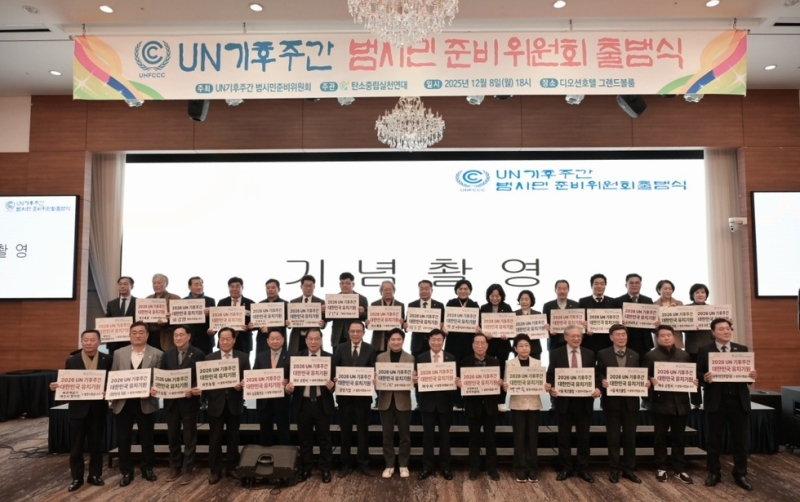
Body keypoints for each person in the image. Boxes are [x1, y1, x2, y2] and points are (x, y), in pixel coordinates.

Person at [698, 318, 758, 491]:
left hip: (738, 401)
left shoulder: (742, 349)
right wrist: (705, 377)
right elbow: (698, 372)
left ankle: (740, 474)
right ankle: (714, 472)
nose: (726, 331)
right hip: (716, 401)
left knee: (740, 441)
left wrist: (752, 375)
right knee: (713, 440)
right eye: (721, 329)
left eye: (728, 328)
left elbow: (747, 374)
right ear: (713, 332)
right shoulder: (705, 350)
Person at [49, 329, 112, 492]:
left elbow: (111, 381)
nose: (88, 343)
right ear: (82, 341)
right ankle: (77, 477)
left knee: (96, 445)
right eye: (86, 340)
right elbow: (68, 382)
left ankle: (95, 475)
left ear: (99, 342)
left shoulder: (107, 359)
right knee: (76, 446)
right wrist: (57, 386)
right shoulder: (72, 360)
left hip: (98, 409)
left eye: (92, 340)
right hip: (77, 410)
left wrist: (109, 391)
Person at [110, 321, 163, 487]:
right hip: (123, 403)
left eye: (141, 332)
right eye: (134, 332)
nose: (137, 335)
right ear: (129, 335)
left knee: (147, 438)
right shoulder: (119, 353)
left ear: (147, 335)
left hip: (145, 402)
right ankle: (126, 471)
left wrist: (153, 388)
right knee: (123, 438)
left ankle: (148, 468)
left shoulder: (157, 354)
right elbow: (113, 375)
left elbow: (159, 378)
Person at [547, 324, 601, 483]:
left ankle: (583, 469)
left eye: (579, 336)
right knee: (564, 437)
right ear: (565, 337)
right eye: (573, 336)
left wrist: (598, 388)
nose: (577, 338)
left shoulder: (590, 354)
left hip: (584, 402)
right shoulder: (556, 353)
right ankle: (566, 468)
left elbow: (595, 375)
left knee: (584, 437)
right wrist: (552, 388)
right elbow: (550, 375)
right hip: (564, 402)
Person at [644, 325, 697, 484]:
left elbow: (691, 376)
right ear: (657, 338)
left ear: (674, 337)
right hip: (660, 403)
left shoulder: (684, 355)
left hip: (681, 403)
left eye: (669, 335)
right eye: (663, 336)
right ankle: (661, 467)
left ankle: (679, 468)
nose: (666, 338)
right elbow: (644, 377)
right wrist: (650, 381)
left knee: (679, 438)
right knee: (660, 438)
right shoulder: (651, 355)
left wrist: (693, 382)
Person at [153, 325, 204, 484]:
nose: (178, 338)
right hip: (171, 403)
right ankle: (174, 467)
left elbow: (201, 377)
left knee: (189, 438)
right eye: (175, 335)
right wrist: (157, 386)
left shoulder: (198, 354)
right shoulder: (167, 354)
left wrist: (194, 388)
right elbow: (161, 375)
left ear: (189, 336)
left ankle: (187, 470)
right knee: (173, 436)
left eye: (181, 335)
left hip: (190, 403)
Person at [596, 324, 646, 484]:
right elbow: (598, 372)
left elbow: (639, 375)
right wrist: (602, 380)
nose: (621, 337)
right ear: (611, 337)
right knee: (613, 438)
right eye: (617, 335)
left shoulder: (635, 355)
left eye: (624, 335)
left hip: (631, 402)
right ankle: (614, 469)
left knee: (630, 438)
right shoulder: (602, 354)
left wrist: (645, 382)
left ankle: (629, 469)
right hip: (611, 402)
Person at [285, 327, 335, 484]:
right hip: (303, 404)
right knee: (304, 438)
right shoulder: (296, 358)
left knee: (325, 438)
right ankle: (306, 468)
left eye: (316, 339)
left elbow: (335, 383)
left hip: (322, 403)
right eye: (310, 339)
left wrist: (332, 387)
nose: (313, 342)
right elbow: (287, 381)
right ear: (305, 341)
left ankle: (325, 469)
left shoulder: (330, 358)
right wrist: (288, 389)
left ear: (321, 340)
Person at [201, 327, 250, 485]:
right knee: (214, 438)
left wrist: (242, 385)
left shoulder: (243, 357)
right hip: (216, 403)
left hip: (234, 403)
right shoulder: (209, 358)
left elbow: (248, 379)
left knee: (233, 438)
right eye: (222, 339)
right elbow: (205, 382)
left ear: (234, 340)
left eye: (228, 338)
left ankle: (231, 468)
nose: (225, 341)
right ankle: (215, 471)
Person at [332, 321, 377, 477]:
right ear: (348, 333)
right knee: (345, 432)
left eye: (359, 331)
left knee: (363, 432)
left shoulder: (371, 349)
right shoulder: (340, 348)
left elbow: (374, 369)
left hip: (363, 399)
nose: (355, 334)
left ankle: (363, 463)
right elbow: (334, 369)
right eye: (353, 331)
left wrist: (374, 378)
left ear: (363, 332)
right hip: (345, 398)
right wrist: (335, 378)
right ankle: (345, 464)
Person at [503, 334, 549, 483]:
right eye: (521, 346)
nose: (524, 348)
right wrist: (505, 386)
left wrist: (546, 386)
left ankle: (532, 470)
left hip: (533, 404)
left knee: (532, 438)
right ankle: (519, 469)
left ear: (531, 347)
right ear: (515, 348)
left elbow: (542, 382)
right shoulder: (509, 364)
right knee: (519, 438)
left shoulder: (537, 363)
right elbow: (506, 382)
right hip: (517, 404)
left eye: (527, 345)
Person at [459, 333, 503, 481]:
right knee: (474, 439)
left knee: (491, 439)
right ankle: (474, 468)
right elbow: (461, 384)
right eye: (477, 343)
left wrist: (500, 383)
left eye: (482, 343)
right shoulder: (465, 362)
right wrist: (460, 384)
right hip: (473, 406)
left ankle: (492, 468)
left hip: (490, 406)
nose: (479, 346)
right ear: (472, 345)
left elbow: (500, 383)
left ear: (487, 345)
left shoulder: (495, 362)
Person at [416, 329, 457, 481]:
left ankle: (445, 467)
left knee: (445, 437)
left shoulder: (450, 357)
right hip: (427, 404)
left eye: (439, 340)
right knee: (427, 437)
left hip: (445, 404)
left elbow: (454, 380)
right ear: (429, 341)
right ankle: (427, 467)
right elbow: (417, 381)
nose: (436, 342)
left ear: (443, 341)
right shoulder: (421, 358)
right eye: (433, 339)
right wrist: (415, 380)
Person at [375, 328, 414, 478]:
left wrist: (415, 379)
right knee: (387, 435)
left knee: (405, 436)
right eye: (393, 339)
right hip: (385, 400)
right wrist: (375, 381)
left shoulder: (410, 358)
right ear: (388, 341)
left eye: (399, 339)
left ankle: (404, 465)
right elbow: (377, 379)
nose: (396, 342)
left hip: (403, 401)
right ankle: (389, 465)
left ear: (403, 341)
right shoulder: (380, 358)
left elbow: (412, 381)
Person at [253, 328, 291, 447]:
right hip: (264, 401)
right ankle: (265, 455)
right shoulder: (260, 357)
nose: (275, 341)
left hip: (282, 401)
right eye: (272, 339)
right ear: (268, 341)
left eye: (278, 339)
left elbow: (294, 377)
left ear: (283, 340)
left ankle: (285, 457)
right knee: (265, 432)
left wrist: (288, 382)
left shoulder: (290, 356)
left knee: (284, 432)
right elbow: (253, 375)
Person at [479, 283, 513, 411]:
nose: (495, 298)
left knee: (502, 372)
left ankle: (501, 401)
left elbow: (511, 327)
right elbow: (479, 326)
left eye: (497, 296)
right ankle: (487, 399)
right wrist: (484, 333)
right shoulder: (483, 308)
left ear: (502, 296)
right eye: (492, 296)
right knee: (487, 372)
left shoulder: (507, 307)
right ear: (488, 296)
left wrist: (507, 336)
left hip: (503, 346)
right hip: (488, 346)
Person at [683, 283, 712, 408]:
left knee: (709, 375)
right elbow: (679, 327)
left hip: (709, 348)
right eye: (697, 292)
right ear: (692, 295)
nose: (700, 295)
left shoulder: (713, 310)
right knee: (694, 376)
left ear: (706, 295)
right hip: (693, 348)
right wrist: (690, 326)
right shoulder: (685, 309)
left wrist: (728, 321)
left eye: (703, 292)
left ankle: (710, 402)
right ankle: (695, 403)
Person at [614, 274, 655, 359]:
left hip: (644, 343)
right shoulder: (617, 301)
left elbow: (651, 322)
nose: (634, 285)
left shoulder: (648, 300)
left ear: (640, 285)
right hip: (625, 341)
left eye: (637, 283)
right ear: (626, 285)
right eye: (631, 283)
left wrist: (655, 324)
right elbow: (614, 323)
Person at [443, 279, 480, 372]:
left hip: (468, 343)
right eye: (460, 289)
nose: (463, 291)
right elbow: (445, 321)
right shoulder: (450, 303)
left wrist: (478, 329)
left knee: (468, 369)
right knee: (452, 369)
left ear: (470, 291)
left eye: (466, 289)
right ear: (456, 290)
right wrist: (444, 328)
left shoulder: (474, 305)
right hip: (453, 342)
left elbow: (478, 323)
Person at [287, 274, 327, 354]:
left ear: (314, 287)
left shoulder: (320, 302)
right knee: (295, 359)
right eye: (306, 285)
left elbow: (325, 320)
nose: (308, 288)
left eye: (310, 285)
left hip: (313, 339)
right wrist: (288, 324)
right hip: (297, 338)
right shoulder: (293, 302)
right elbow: (289, 321)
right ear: (301, 287)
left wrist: (323, 324)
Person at [578, 273, 618, 354]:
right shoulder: (583, 301)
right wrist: (584, 327)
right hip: (589, 342)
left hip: (608, 343)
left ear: (605, 286)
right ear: (591, 286)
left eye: (602, 284)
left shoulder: (612, 301)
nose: (599, 286)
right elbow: (579, 321)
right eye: (596, 284)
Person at [328, 272, 369, 349]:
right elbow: (328, 318)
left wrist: (362, 313)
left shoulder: (361, 299)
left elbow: (367, 317)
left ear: (353, 284)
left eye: (347, 283)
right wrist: (325, 311)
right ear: (339, 285)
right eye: (342, 283)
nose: (344, 285)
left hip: (355, 336)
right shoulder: (333, 299)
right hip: (337, 336)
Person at [216, 277, 256, 354]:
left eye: (237, 286)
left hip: (244, 341)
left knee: (243, 361)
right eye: (232, 286)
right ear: (228, 288)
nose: (235, 289)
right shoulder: (222, 302)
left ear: (242, 287)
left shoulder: (250, 303)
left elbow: (256, 323)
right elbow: (217, 320)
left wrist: (249, 327)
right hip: (225, 341)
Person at [406, 280, 444, 357]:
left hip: (434, 344)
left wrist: (442, 326)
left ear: (431, 290)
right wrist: (405, 326)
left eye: (426, 289)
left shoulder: (439, 305)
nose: (423, 291)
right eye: (421, 289)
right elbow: (407, 324)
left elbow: (443, 324)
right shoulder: (412, 305)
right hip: (417, 345)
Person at [145, 273, 181, 351]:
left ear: (166, 284)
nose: (156, 285)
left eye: (159, 283)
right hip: (150, 337)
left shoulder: (175, 298)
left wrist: (168, 321)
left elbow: (180, 321)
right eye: (154, 283)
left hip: (167, 337)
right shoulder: (147, 299)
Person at [542, 279, 580, 354]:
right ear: (555, 290)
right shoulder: (547, 306)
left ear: (568, 290)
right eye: (559, 289)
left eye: (564, 289)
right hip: (554, 343)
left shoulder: (576, 305)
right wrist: (549, 330)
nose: (562, 291)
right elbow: (545, 325)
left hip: (572, 343)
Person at [368, 280, 405, 352]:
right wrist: (367, 323)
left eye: (390, 289)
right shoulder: (374, 304)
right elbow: (369, 324)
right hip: (378, 341)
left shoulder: (400, 305)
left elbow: (403, 324)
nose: (388, 292)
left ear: (394, 291)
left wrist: (402, 323)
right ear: (381, 291)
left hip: (394, 342)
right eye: (385, 290)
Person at [184, 276, 216, 355]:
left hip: (206, 340)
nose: (199, 287)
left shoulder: (210, 301)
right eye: (196, 285)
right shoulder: (183, 302)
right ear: (189, 287)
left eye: (201, 285)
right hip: (189, 340)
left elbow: (216, 321)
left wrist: (210, 314)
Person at [105, 276, 136, 358]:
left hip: (132, 341)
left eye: (125, 284)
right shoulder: (111, 304)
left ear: (132, 286)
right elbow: (107, 320)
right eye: (120, 284)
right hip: (114, 343)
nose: (122, 286)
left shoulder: (139, 302)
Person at [255, 278, 288, 355]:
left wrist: (269, 329)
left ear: (279, 289)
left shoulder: (285, 304)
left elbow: (286, 323)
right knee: (262, 360)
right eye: (268, 288)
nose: (270, 290)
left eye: (273, 287)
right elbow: (257, 323)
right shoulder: (260, 304)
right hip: (263, 340)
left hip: (279, 340)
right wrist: (252, 325)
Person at [654, 279, 684, 349]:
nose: (668, 291)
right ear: (659, 290)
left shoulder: (679, 304)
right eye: (665, 289)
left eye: (670, 289)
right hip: (660, 339)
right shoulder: (654, 305)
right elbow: (651, 326)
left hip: (676, 338)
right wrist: (655, 325)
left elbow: (684, 322)